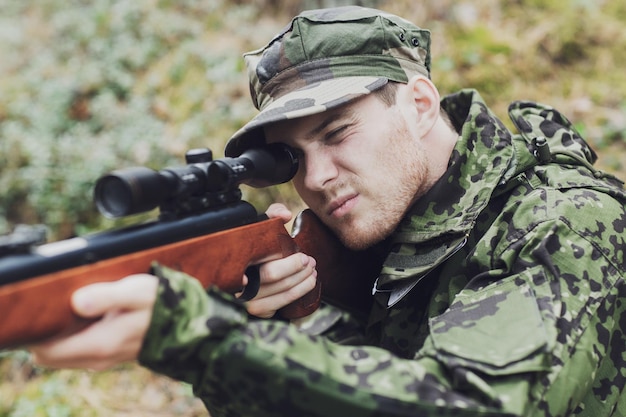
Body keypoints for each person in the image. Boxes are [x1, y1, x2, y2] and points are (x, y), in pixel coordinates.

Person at [30, 6, 626, 417]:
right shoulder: (382, 241)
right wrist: (289, 329)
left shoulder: (565, 222)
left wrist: (206, 338)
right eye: (291, 157)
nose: (315, 178)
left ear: (419, 103)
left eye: (338, 133)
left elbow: (469, 402)